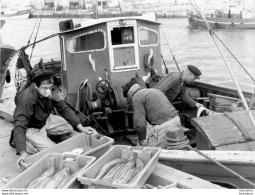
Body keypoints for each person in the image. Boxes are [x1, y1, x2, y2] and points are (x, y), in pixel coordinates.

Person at [13, 70, 94, 169]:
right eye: (44, 88)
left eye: (49, 88)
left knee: (69, 127)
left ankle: (50, 136)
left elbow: (64, 109)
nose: (48, 91)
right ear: (35, 86)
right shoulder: (27, 99)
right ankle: (24, 143)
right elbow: (20, 125)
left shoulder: (52, 90)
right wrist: (22, 152)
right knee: (52, 150)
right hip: (30, 127)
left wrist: (82, 128)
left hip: (44, 120)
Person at [123, 79, 183, 148]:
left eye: (128, 98)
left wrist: (141, 139)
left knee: (152, 152)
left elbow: (139, 124)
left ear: (129, 94)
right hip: (176, 120)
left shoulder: (136, 96)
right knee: (175, 148)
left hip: (165, 126)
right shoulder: (153, 90)